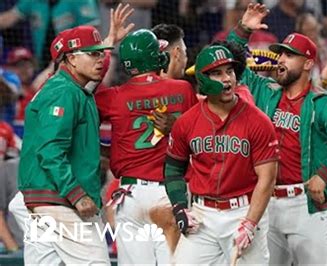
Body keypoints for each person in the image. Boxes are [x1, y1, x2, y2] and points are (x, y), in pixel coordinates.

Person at [228, 3, 327, 265]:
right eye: (281, 55)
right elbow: (233, 62)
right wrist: (243, 29)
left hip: (305, 206)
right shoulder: (266, 91)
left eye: (289, 56)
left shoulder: (325, 104)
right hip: (267, 203)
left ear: (308, 63)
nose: (280, 60)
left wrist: (324, 174)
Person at [164, 44, 279, 264]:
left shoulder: (258, 121)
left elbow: (267, 178)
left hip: (243, 212)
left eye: (230, 71)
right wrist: (179, 207)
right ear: (203, 79)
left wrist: (251, 223)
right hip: (202, 215)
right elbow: (173, 168)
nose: (227, 79)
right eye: (217, 73)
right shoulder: (187, 122)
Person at [95, 29, 198, 265]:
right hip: (170, 194)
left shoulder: (113, 97)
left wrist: (106, 149)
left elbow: (83, 109)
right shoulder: (182, 90)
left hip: (130, 195)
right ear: (158, 59)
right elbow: (196, 138)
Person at [17, 24, 114, 264]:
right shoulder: (64, 91)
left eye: (101, 53)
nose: (100, 59)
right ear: (71, 59)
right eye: (93, 54)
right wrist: (76, 194)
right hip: (61, 201)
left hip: (45, 200)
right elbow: (50, 149)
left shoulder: (72, 88)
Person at [0, 0, 101, 66]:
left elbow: (92, 32)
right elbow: (9, 18)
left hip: (72, 60)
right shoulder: (33, 2)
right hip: (42, 61)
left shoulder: (80, 1)